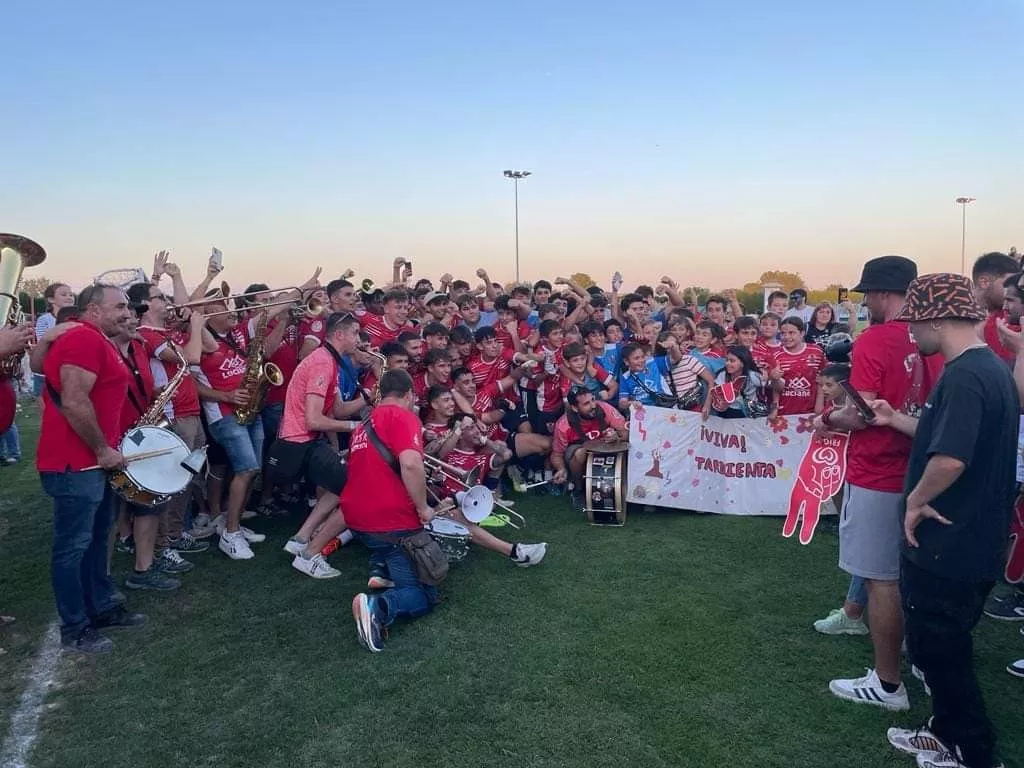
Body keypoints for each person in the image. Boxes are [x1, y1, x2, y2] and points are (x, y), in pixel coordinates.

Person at [876, 273, 1015, 768]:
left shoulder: (965, 375)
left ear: (936, 318)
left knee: (942, 652)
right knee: (937, 649)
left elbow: (951, 459)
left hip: (949, 542)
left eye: (915, 321)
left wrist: (914, 500)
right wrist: (894, 418)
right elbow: (942, 434)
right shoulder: (983, 368)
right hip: (964, 538)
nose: (911, 331)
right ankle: (942, 730)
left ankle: (973, 752)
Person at [818, 255, 943, 711]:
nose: (865, 301)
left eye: (867, 293)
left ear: (884, 294)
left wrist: (828, 417)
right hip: (926, 469)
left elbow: (864, 414)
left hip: (879, 472)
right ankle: (923, 663)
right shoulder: (938, 338)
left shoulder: (875, 339)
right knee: (913, 573)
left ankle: (887, 684)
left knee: (880, 578)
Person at [37, 284, 145, 654]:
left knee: (98, 540)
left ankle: (102, 607)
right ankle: (75, 626)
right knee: (73, 547)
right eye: (119, 306)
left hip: (93, 463)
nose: (127, 313)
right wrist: (102, 448)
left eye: (128, 307)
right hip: (76, 464)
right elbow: (74, 399)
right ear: (94, 310)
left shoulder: (94, 339)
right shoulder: (84, 339)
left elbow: (42, 367)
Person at [344, 370, 440, 653]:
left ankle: (383, 571)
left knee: (394, 553)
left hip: (359, 518)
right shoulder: (403, 417)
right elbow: (410, 464)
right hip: (390, 520)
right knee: (425, 595)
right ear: (409, 393)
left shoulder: (363, 425)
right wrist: (423, 508)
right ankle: (379, 607)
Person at [272, 312, 364, 578]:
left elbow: (339, 409)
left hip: (307, 441)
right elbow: (313, 419)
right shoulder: (323, 363)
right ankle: (310, 555)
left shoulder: (330, 360)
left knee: (344, 481)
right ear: (340, 335)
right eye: (355, 333)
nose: (359, 339)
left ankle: (300, 538)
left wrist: (371, 398)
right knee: (356, 492)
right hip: (300, 443)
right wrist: (353, 427)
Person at [811, 363, 870, 637]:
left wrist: (825, 420)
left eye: (828, 385)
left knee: (869, 549)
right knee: (864, 545)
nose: (823, 389)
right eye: (821, 385)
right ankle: (854, 609)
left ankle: (854, 613)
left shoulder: (852, 407)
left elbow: (853, 421)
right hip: (858, 476)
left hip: (866, 476)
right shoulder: (840, 406)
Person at [550, 387, 629, 487]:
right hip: (579, 452)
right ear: (574, 408)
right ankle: (578, 488)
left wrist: (617, 436)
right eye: (586, 404)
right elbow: (556, 454)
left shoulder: (605, 409)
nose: (593, 406)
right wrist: (561, 469)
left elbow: (626, 432)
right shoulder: (563, 425)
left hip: (605, 448)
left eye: (593, 399)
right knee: (580, 453)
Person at [768, 317, 826, 416]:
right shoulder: (776, 355)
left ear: (802, 333)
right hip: (785, 411)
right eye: (783, 333)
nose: (786, 337)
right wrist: (774, 408)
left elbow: (823, 379)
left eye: (791, 333)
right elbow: (776, 389)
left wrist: (819, 405)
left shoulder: (816, 351)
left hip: (811, 411)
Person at [971, 251, 1020, 365]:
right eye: (1009, 281)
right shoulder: (959, 321)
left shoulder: (1011, 318)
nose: (1014, 287)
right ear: (985, 282)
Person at [705, 346, 765, 419]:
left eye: (732, 361)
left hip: (749, 413)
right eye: (727, 360)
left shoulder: (753, 376)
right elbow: (715, 392)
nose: (728, 363)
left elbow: (769, 387)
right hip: (729, 411)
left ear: (743, 363)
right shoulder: (723, 375)